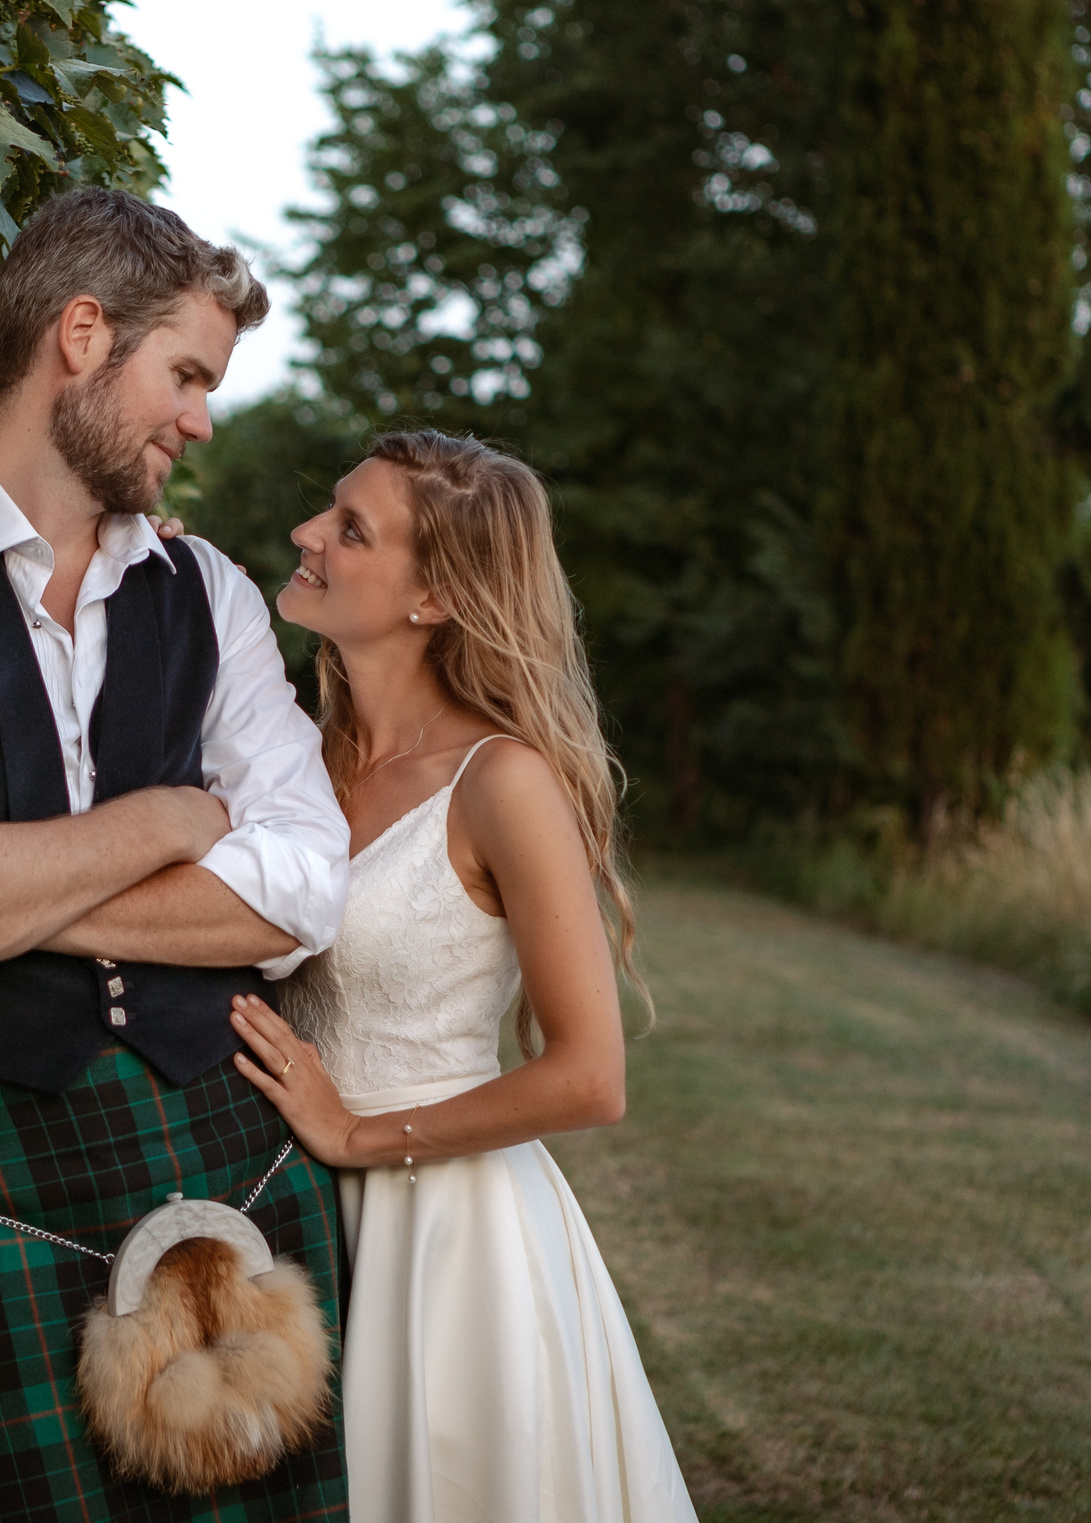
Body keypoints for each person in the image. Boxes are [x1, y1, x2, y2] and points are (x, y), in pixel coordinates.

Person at [0, 189, 352, 1521]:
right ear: (84, 336)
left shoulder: (205, 590)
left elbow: (303, 888)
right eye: (189, 374)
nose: (202, 418)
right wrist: (162, 823)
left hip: (228, 1141)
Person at [224, 429, 699, 1522]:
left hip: (450, 1239)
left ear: (432, 594)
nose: (306, 534)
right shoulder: (292, 750)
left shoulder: (503, 784)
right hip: (289, 1214)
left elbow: (590, 1076)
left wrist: (355, 1137)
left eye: (350, 529)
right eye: (325, 513)